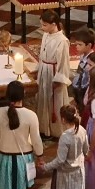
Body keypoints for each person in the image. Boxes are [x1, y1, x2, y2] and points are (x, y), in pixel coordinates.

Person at [42, 105, 89, 189]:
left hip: (67, 172)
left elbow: (60, 160)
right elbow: (86, 150)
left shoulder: (65, 136)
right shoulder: (82, 130)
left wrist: (46, 167)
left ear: (63, 119)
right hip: (79, 169)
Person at [36, 9, 71, 139]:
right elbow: (42, 54)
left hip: (54, 73)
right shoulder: (46, 35)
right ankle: (44, 128)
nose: (42, 27)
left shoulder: (62, 41)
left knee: (55, 103)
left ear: (54, 24)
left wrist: (59, 80)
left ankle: (56, 131)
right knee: (43, 99)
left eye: (44, 25)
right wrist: (38, 69)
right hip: (44, 70)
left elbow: (64, 62)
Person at [70, 29, 95, 113]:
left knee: (85, 112)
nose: (77, 47)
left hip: (86, 90)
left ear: (89, 45)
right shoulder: (82, 56)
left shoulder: (92, 60)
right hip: (79, 88)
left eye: (80, 44)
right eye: (76, 44)